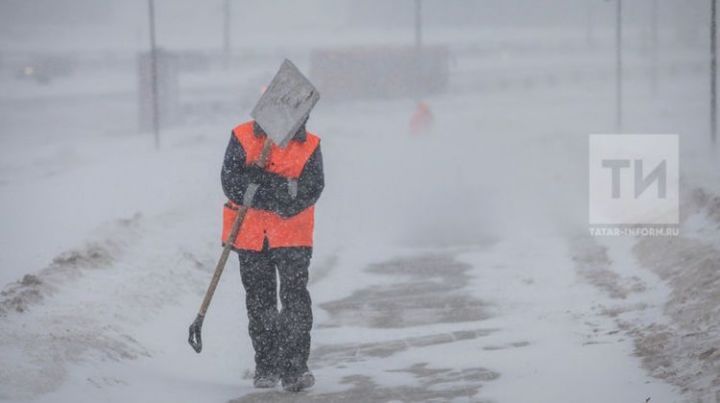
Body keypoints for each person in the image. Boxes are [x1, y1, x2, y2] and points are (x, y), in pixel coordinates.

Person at [220, 118, 324, 392]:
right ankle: (266, 366)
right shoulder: (242, 136)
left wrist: (261, 187)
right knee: (259, 302)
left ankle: (295, 368)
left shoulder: (310, 144)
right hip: (251, 237)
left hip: (293, 237)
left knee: (295, 301)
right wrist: (281, 189)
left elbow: (309, 190)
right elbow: (231, 183)